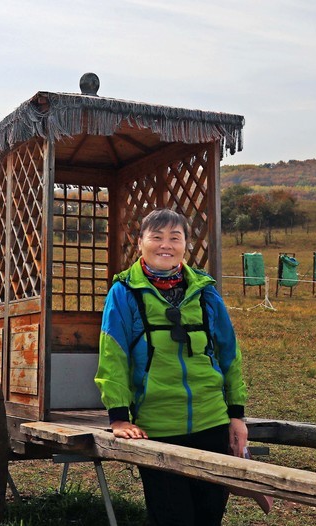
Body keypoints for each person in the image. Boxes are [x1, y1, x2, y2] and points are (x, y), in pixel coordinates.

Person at [95, 208, 249, 526]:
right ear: (140, 243)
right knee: (172, 518)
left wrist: (236, 415)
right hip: (159, 427)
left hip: (212, 422)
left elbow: (229, 353)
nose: (166, 244)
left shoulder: (205, 292)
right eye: (157, 237)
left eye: (175, 238)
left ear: (185, 245)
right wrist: (120, 419)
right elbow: (113, 357)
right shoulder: (123, 293)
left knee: (209, 517)